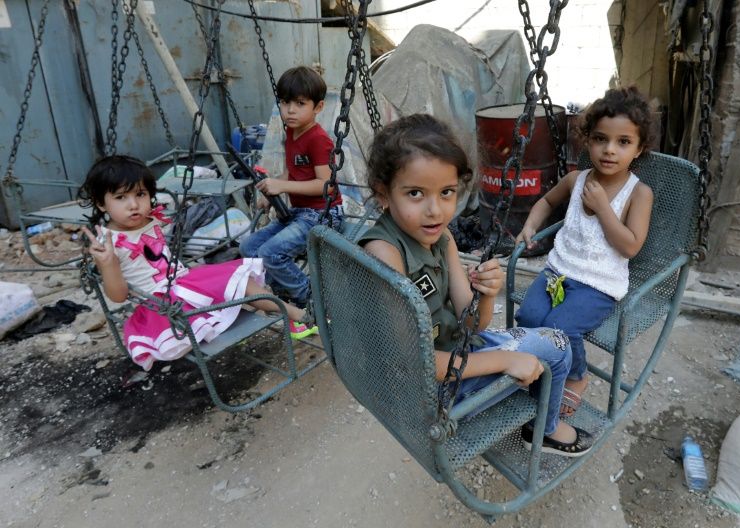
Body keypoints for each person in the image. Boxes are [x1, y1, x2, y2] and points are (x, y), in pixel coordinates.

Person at [358, 114, 594, 457]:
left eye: (447, 192)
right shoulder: (385, 254)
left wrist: (486, 295)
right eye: (415, 193)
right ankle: (547, 429)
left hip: (459, 353)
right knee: (558, 347)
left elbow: (474, 325)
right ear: (383, 195)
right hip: (435, 390)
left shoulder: (442, 238)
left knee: (548, 341)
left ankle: (530, 390)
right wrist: (504, 360)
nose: (434, 210)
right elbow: (416, 363)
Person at [78, 155, 317, 372]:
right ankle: (290, 314)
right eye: (121, 198)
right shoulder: (108, 243)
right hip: (160, 303)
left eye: (140, 195)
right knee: (228, 284)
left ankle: (289, 313)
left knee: (239, 278)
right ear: (101, 204)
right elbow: (118, 296)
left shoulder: (149, 219)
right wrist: (108, 264)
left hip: (183, 282)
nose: (133, 205)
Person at [515, 86, 655, 416]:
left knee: (562, 327)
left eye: (623, 142)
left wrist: (605, 209)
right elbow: (547, 201)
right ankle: (542, 364)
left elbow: (631, 246)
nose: (609, 150)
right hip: (558, 271)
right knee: (530, 316)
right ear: (587, 140)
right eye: (600, 139)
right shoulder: (576, 179)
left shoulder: (639, 193)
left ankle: (576, 376)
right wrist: (530, 225)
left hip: (598, 285)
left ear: (639, 149)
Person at [239, 65, 344, 308]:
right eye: (285, 103)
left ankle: (313, 303)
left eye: (299, 103)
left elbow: (326, 186)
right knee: (249, 247)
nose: (290, 110)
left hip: (323, 214)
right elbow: (293, 171)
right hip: (299, 214)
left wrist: (282, 185)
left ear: (318, 107)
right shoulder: (292, 132)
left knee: (271, 253)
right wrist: (272, 192)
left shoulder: (318, 140)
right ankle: (283, 293)